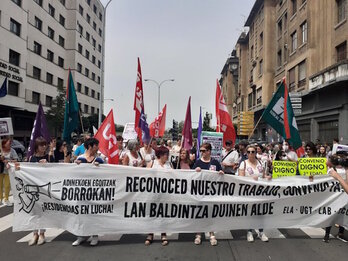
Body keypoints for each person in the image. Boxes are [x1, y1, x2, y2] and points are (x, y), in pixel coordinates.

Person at [72, 138, 104, 247]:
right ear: (91, 146)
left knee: (94, 214)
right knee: (81, 214)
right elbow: (73, 175)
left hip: (95, 192)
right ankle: (81, 236)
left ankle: (94, 235)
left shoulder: (99, 160)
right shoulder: (80, 159)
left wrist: (100, 168)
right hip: (82, 192)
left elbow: (108, 173)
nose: (98, 148)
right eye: (96, 145)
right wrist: (75, 166)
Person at [193, 143, 223, 246]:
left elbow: (221, 173)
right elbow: (191, 176)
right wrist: (195, 172)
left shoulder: (215, 162)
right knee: (200, 213)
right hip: (200, 192)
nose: (202, 152)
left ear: (209, 151)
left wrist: (221, 173)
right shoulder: (197, 162)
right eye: (200, 151)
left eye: (203, 150)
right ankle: (198, 234)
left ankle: (211, 233)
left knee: (210, 213)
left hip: (212, 193)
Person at [238, 144, 270, 242]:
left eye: (253, 152)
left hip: (260, 192)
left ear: (256, 153)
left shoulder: (260, 162)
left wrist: (267, 177)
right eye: (249, 152)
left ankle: (261, 231)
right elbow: (240, 178)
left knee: (260, 212)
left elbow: (264, 175)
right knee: (250, 212)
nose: (251, 154)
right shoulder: (243, 163)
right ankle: (249, 231)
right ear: (246, 153)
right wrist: (251, 179)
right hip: (249, 192)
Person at [28, 137, 54, 246]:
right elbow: (26, 171)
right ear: (36, 146)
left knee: (43, 212)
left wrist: (47, 164)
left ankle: (42, 233)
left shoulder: (49, 156)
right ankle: (35, 233)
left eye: (45, 145)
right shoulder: (31, 158)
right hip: (34, 188)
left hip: (45, 189)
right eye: (41, 145)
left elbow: (56, 169)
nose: (44, 147)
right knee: (34, 212)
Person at [145, 146, 172, 246]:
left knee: (163, 213)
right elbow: (144, 175)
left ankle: (163, 234)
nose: (167, 156)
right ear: (160, 155)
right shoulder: (152, 163)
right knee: (152, 213)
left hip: (165, 194)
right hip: (153, 193)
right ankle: (150, 234)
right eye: (166, 154)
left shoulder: (169, 165)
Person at [0, 137, 18, 206]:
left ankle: (6, 199)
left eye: (10, 143)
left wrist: (9, 161)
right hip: (0, 170)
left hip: (8, 170)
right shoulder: (0, 150)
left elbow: (16, 160)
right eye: (8, 143)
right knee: (0, 185)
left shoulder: (12, 151)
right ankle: (0, 199)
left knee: (7, 186)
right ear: (4, 144)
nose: (10, 144)